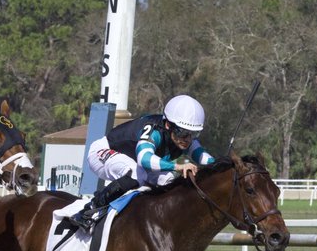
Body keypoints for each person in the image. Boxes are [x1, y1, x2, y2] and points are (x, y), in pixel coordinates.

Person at [69, 94, 217, 231]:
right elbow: (144, 159)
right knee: (135, 173)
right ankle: (89, 210)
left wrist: (224, 166)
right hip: (103, 152)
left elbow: (204, 157)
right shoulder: (154, 130)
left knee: (169, 179)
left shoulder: (182, 136)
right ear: (168, 125)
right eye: (183, 133)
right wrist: (178, 166)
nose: (187, 139)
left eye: (193, 134)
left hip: (134, 162)